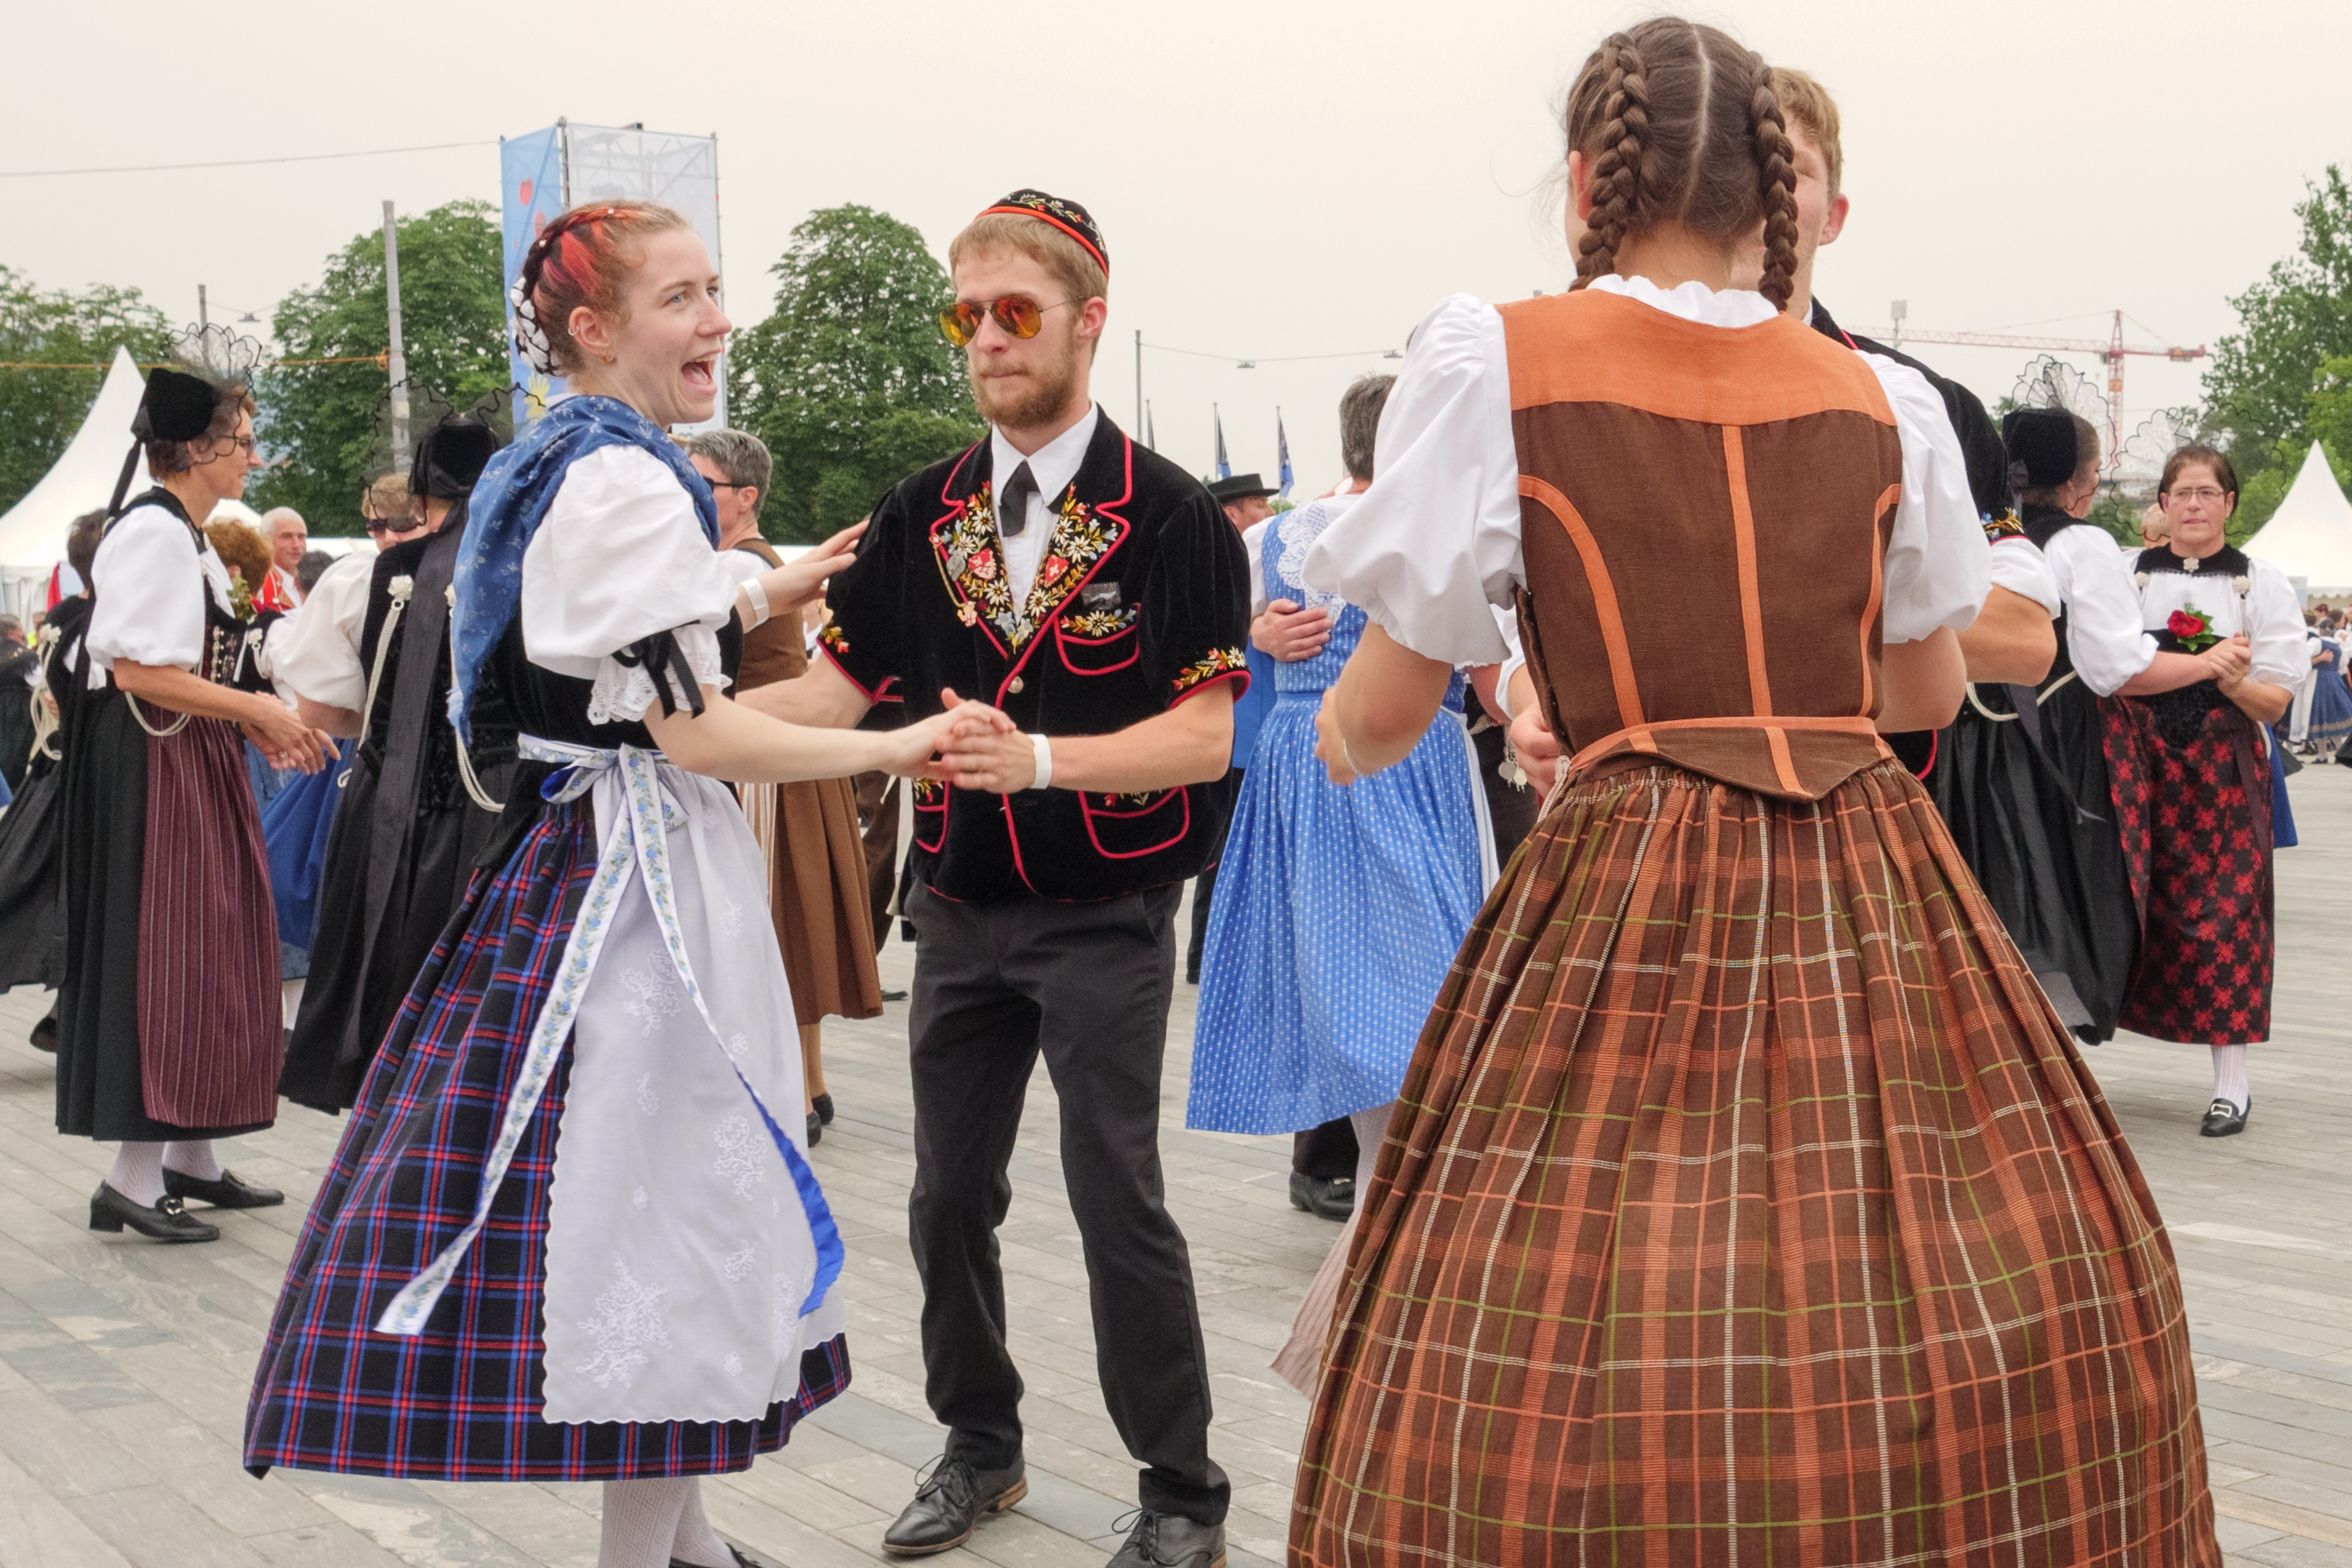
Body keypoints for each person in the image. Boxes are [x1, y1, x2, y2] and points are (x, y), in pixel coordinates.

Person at [1286, 22, 2215, 1564]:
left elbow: (1381, 710)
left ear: (1587, 180)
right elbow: (1922, 693)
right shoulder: (1877, 399)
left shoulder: (1493, 355)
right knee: (1917, 1261)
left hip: (1626, 872)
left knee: (1581, 1278)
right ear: (1779, 194)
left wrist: (1493, 703)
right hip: (1867, 865)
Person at [245, 200, 964, 1568]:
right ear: (595, 326)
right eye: (685, 297)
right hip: (639, 874)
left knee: (649, 1199)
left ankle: (685, 1544)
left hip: (583, 852)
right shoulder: (633, 479)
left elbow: (607, 646)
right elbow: (687, 729)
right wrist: (899, 739)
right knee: (665, 1209)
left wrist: (773, 585)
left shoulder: (558, 458)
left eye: (714, 290)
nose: (718, 320)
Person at [739, 188, 1245, 1568]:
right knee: (945, 1196)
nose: (985, 341)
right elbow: (837, 698)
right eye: (964, 315)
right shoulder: (927, 511)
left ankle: (1182, 1490)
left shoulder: (1172, 516)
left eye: (1013, 312)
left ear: (1088, 319)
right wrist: (687, 763)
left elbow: (1207, 737)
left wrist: (1039, 761)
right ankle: (981, 1447)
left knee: (1115, 1194)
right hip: (959, 909)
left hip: (1106, 912)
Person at [1186, 374, 1498, 1394]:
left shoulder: (1271, 538)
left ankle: (1373, 1286)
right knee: (1426, 1050)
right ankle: (1378, 1300)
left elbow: (1196, 654)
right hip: (1401, 778)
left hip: (1301, 786)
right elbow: (1492, 677)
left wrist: (1251, 647)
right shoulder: (1434, 530)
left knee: (1383, 1054)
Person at [59, 362, 333, 1244]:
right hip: (154, 758)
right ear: (201, 448)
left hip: (186, 752)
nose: (254, 458)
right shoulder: (152, 534)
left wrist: (254, 721)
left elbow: (197, 667)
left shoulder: (185, 532)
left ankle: (191, 1159)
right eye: (246, 440)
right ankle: (130, 1179)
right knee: (169, 952)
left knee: (216, 949)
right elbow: (140, 671)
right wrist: (253, 709)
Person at [277, 413, 512, 1114]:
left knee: (388, 991)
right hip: (500, 814)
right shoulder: (534, 563)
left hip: (388, 806)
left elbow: (320, 712)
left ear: (423, 498)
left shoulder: (370, 576)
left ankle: (389, 1152)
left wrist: (392, 727)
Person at [689, 426, 882, 1147]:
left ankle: (788, 1091)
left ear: (744, 497)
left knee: (767, 925)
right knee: (792, 921)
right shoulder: (751, 559)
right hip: (786, 754)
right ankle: (809, 1082)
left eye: (699, 485)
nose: (686, 496)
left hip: (759, 759)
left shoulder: (735, 563)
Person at [2103, 445, 2302, 1138]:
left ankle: (2232, 1085)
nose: (2193, 504)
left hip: (2222, 769)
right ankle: (2070, 1070)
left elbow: (2274, 703)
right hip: (2133, 764)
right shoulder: (2124, 577)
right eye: (2181, 492)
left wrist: (2229, 681)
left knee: (2229, 914)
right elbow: (2108, 674)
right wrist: (2197, 664)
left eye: (2206, 493)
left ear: (2229, 505)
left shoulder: (2263, 583)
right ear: (2162, 504)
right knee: (2115, 901)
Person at [0, 509, 107, 1052]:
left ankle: (68, 1013)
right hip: (81, 779)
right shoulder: (91, 625)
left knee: (60, 894)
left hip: (60, 775)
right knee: (54, 892)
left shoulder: (69, 618)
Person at [0, 614, 37, 790]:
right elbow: (39, 682)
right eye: (21, 630)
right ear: (11, 633)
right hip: (19, 709)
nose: (23, 634)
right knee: (17, 754)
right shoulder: (24, 656)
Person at [260, 506, 307, 610]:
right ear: (266, 541)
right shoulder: (259, 586)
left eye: (301, 537)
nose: (296, 545)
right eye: (287, 536)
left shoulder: (313, 582)